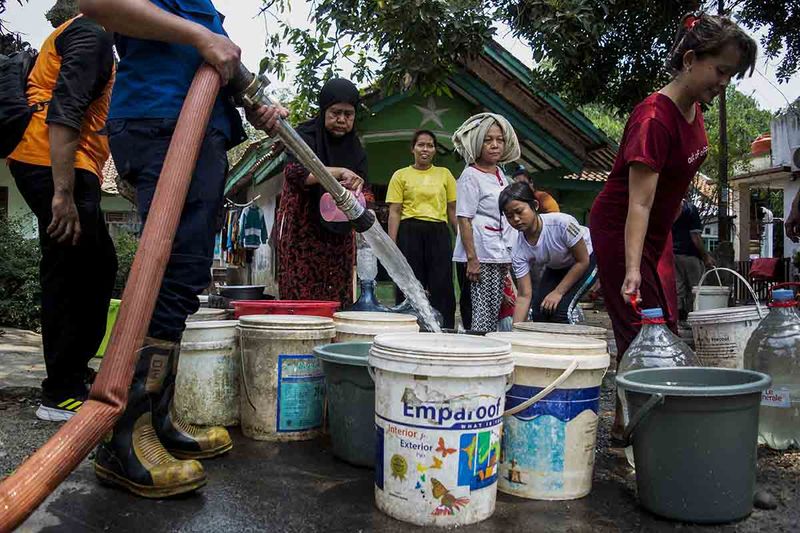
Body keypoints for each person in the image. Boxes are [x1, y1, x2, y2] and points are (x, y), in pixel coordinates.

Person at [79, 0, 287, 498]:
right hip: (163, 122)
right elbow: (97, 4)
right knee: (169, 273)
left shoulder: (202, 7)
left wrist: (252, 97)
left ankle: (157, 418)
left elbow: (218, 60)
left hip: (198, 131)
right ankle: (125, 435)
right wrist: (200, 38)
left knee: (186, 276)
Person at [588, 12, 756, 437]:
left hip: (657, 234)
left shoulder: (695, 108)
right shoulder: (653, 118)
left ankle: (635, 424)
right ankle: (638, 435)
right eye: (720, 70)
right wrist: (630, 270)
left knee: (666, 325)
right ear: (689, 59)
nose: (724, 83)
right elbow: (639, 205)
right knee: (639, 326)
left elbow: (673, 180)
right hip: (622, 228)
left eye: (731, 75)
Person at [6, 6, 117, 422]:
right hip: (51, 163)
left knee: (90, 266)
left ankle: (70, 375)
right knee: (77, 271)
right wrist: (62, 192)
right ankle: (59, 392)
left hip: (59, 163)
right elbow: (65, 107)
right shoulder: (92, 34)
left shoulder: (86, 35)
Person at [275, 78, 369, 308]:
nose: (342, 120)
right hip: (303, 235)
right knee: (302, 300)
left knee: (336, 299)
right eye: (336, 112)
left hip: (339, 239)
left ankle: (331, 343)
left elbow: (364, 189)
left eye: (348, 114)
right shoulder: (305, 136)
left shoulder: (355, 148)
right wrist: (339, 172)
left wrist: (357, 185)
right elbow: (297, 173)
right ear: (324, 109)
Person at [452, 113, 520, 333]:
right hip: (480, 256)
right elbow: (464, 219)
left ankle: (488, 353)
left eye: (499, 140)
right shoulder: (470, 175)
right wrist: (472, 259)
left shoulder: (500, 173)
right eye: (488, 140)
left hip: (498, 254)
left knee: (494, 312)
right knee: (480, 312)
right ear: (477, 143)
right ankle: (475, 354)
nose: (494, 145)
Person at [386, 130, 457, 328]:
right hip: (409, 232)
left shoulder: (445, 174)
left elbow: (452, 210)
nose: (425, 149)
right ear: (413, 148)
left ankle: (445, 328)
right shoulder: (400, 175)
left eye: (430, 145)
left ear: (434, 150)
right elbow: (395, 211)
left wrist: (461, 241)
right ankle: (406, 327)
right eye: (421, 145)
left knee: (442, 283)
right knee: (409, 282)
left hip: (439, 232)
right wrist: (392, 244)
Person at [501, 182, 596, 324]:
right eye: (509, 216)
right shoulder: (518, 249)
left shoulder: (563, 223)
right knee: (539, 312)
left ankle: (569, 346)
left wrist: (558, 292)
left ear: (535, 205)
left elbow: (582, 261)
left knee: (562, 312)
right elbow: (524, 296)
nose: (515, 219)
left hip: (586, 260)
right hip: (556, 266)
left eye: (519, 211)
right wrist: (514, 334)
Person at [672, 197, 715, 320]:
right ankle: (695, 318)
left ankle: (678, 319)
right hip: (689, 255)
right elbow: (695, 236)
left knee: (677, 288)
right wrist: (705, 256)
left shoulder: (668, 208)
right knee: (696, 288)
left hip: (672, 254)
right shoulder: (690, 209)